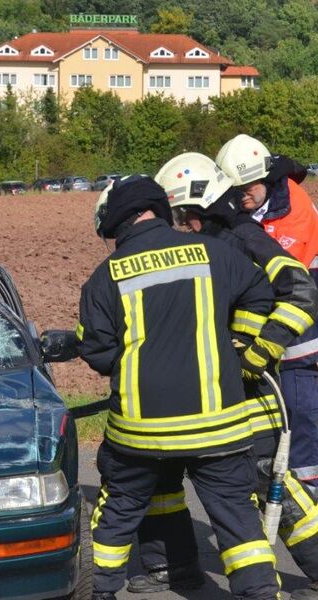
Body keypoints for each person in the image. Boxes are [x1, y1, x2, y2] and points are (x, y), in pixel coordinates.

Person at [78, 174, 279, 600]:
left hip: (141, 430)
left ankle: (102, 591)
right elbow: (261, 295)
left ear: (116, 222)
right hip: (219, 424)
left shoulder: (105, 275)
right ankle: (260, 593)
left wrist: (138, 365)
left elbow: (97, 352)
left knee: (119, 511)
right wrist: (238, 348)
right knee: (238, 519)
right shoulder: (215, 252)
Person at [129, 153, 318, 600]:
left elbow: (302, 291)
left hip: (247, 388)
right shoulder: (214, 238)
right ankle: (172, 568)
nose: (180, 225)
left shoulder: (243, 238)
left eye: (181, 216)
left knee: (264, 476)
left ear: (196, 206)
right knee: (167, 470)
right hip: (209, 385)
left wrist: (259, 352)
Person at [216, 135, 318, 492]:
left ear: (267, 179)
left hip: (304, 334)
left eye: (248, 187)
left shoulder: (293, 207)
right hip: (289, 329)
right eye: (235, 189)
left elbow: (290, 275)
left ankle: (306, 490)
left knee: (301, 412)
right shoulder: (255, 207)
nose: (242, 195)